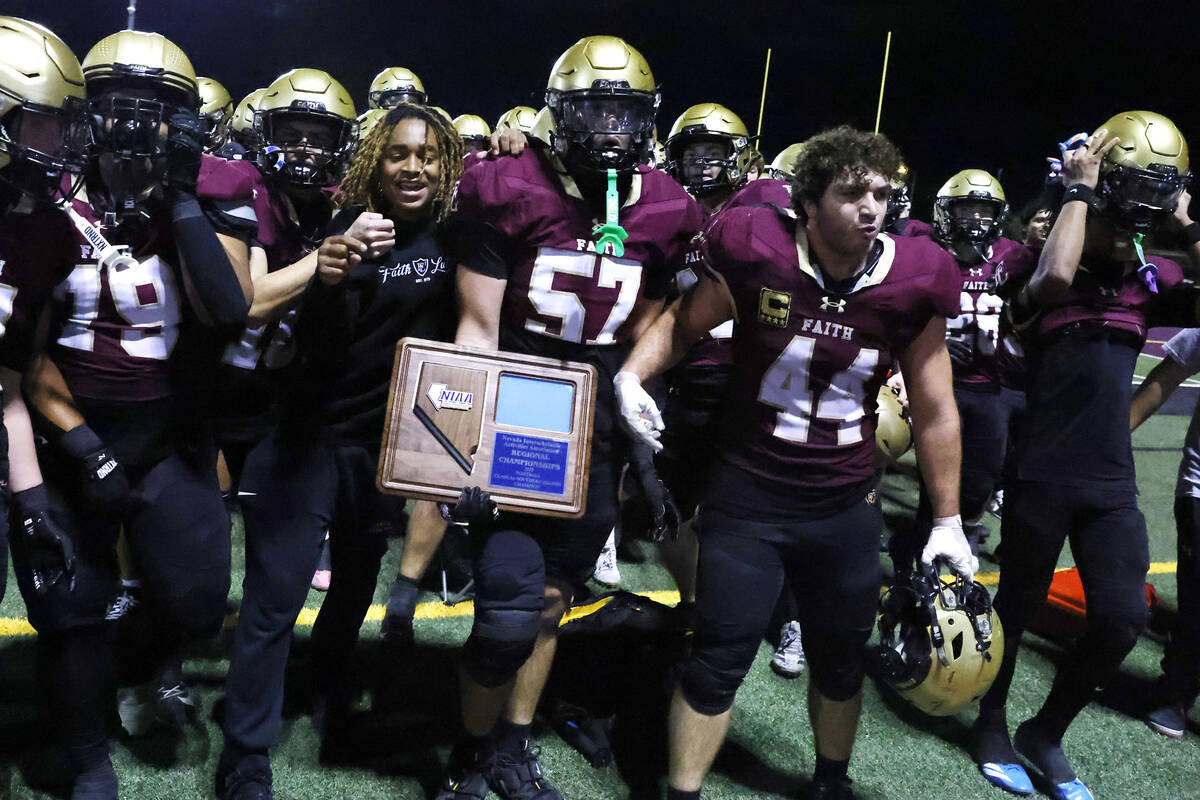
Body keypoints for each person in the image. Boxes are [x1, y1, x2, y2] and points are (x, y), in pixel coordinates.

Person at [613, 124, 975, 800]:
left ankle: (830, 783)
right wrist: (633, 376)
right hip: (749, 495)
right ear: (805, 204)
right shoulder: (759, 247)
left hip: (843, 503)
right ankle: (682, 793)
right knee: (719, 659)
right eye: (851, 193)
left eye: (881, 193)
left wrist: (948, 521)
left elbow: (935, 407)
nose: (871, 208)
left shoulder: (917, 277)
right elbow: (684, 323)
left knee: (840, 664)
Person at [439, 34, 703, 800]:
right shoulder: (504, 183)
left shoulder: (667, 205)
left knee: (554, 597)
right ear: (561, 112)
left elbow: (658, 315)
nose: (612, 128)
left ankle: (510, 747)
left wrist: (631, 384)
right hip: (517, 412)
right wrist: (464, 443)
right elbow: (477, 326)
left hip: (596, 428)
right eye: (595, 109)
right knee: (505, 611)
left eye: (626, 110)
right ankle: (469, 749)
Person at [16, 28, 254, 799]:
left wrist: (181, 197)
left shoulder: (214, 188)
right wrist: (81, 443)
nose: (129, 126)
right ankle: (86, 751)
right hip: (72, 433)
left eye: (151, 111)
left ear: (183, 122)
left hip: (171, 434)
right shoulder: (45, 193)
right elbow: (24, 345)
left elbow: (227, 309)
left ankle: (151, 660)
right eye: (114, 107)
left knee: (194, 597)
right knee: (70, 605)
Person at [215, 102, 463, 800]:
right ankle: (244, 754)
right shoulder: (344, 230)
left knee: (357, 577)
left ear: (447, 164)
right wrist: (326, 273)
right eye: (397, 154)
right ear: (373, 163)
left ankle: (325, 685)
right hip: (310, 436)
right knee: (274, 598)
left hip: (388, 448)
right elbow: (320, 348)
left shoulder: (459, 237)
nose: (413, 166)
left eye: (428, 155)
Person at [969, 112, 1196, 800]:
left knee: (1123, 617)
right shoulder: (1030, 267)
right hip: (1041, 466)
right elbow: (1060, 273)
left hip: (1110, 480)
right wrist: (1079, 189)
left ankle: (1047, 731)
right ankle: (990, 724)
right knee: (1017, 605)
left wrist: (1186, 226)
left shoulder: (1145, 281)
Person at [899, 170, 1037, 557]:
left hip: (986, 385)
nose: (976, 220)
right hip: (930, 381)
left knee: (980, 481)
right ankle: (913, 555)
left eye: (984, 211)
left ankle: (949, 538)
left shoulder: (1010, 255)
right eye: (966, 210)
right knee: (925, 478)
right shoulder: (923, 249)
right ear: (946, 212)